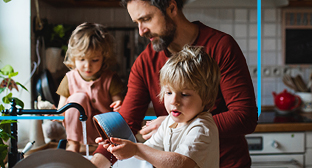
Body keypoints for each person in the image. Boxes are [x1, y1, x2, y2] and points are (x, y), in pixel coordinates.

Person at [91, 0, 258, 167]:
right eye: (137, 22)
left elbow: (244, 116)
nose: (141, 31)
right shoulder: (145, 62)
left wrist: (177, 123)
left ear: (171, 8)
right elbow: (126, 124)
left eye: (146, 19)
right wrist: (95, 164)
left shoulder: (221, 46)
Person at [101, 45, 220, 168]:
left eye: (184, 94)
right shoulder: (169, 121)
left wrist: (136, 149)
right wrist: (122, 145)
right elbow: (148, 151)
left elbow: (181, 163)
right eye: (169, 92)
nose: (174, 101)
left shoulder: (201, 127)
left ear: (207, 98)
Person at [56, 22, 125, 153]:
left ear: (104, 57)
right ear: (74, 57)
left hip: (104, 131)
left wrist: (119, 106)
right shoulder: (69, 79)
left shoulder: (110, 78)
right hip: (78, 133)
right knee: (77, 99)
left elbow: (119, 105)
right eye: (82, 59)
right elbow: (62, 110)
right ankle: (73, 144)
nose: (87, 66)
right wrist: (54, 112)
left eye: (94, 60)